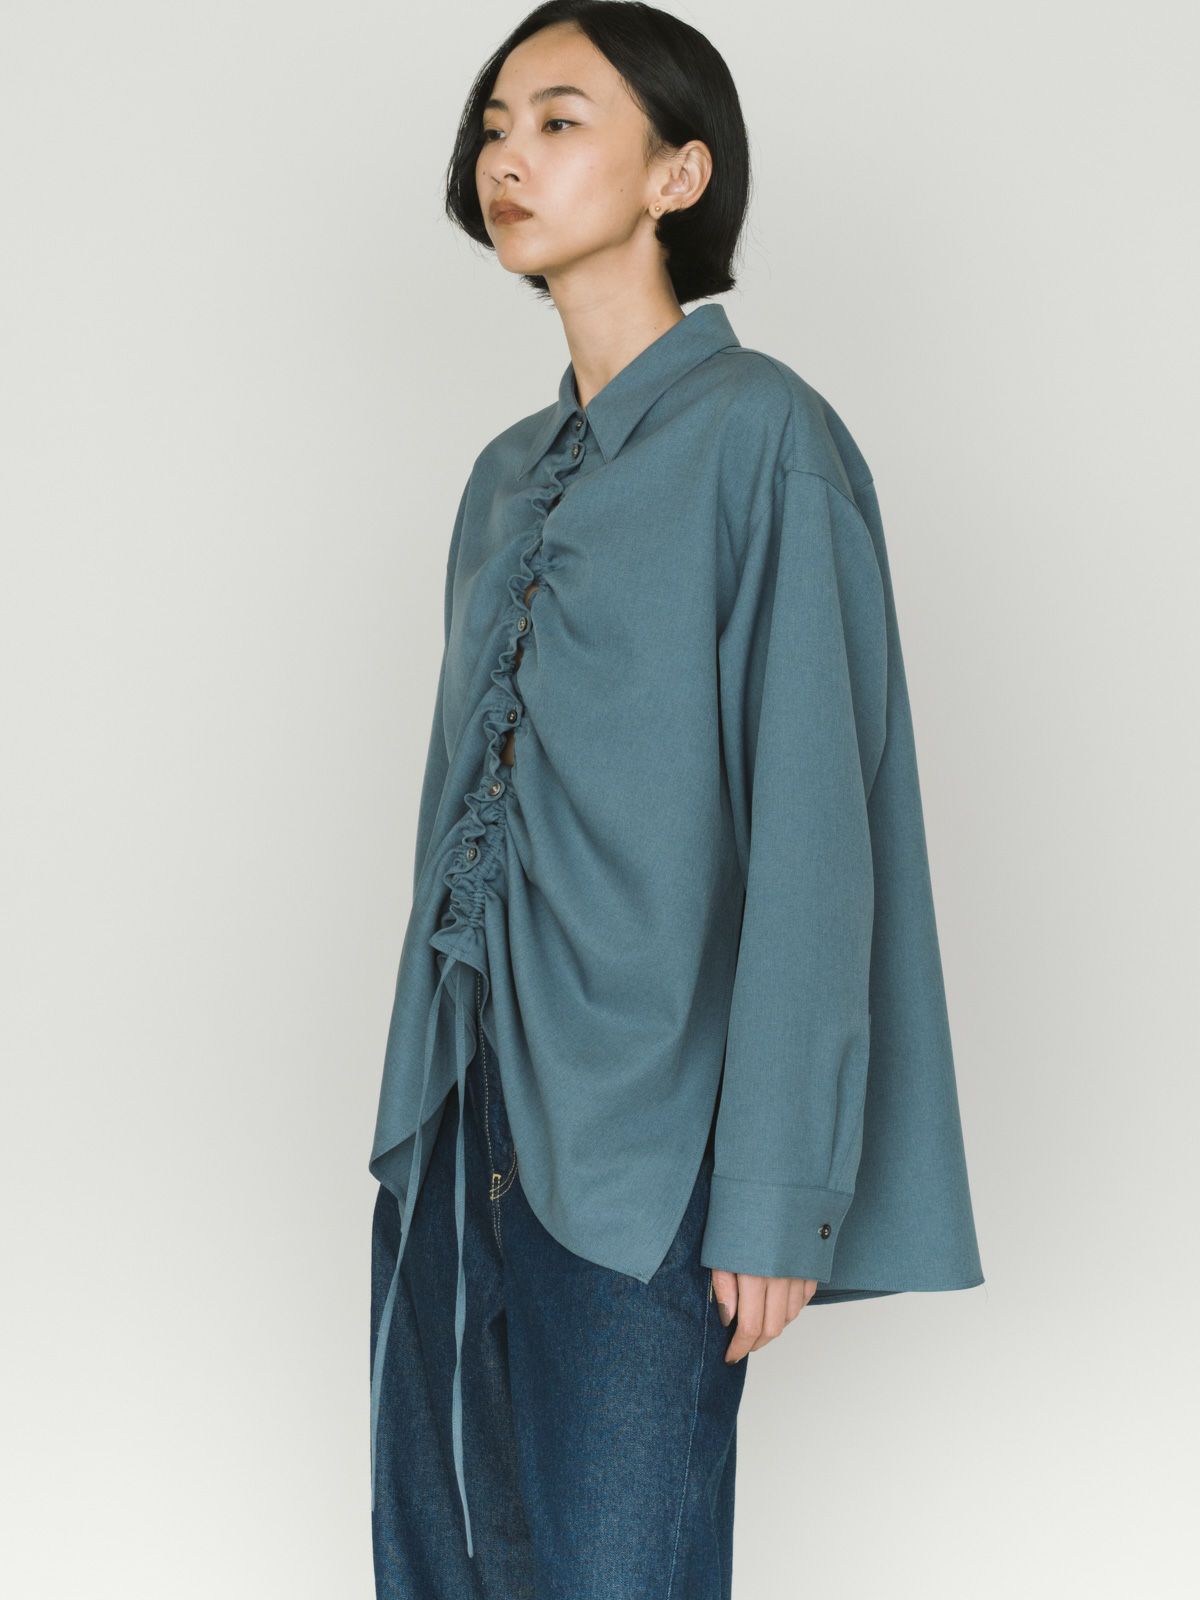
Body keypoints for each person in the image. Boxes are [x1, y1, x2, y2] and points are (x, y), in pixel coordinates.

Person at [368, 3, 984, 1596]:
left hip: (651, 1148)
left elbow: (817, 839)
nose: (507, 156)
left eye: (559, 120)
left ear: (677, 174)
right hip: (459, 1121)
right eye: (494, 125)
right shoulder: (503, 478)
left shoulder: (765, 437)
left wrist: (775, 1193)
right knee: (439, 1565)